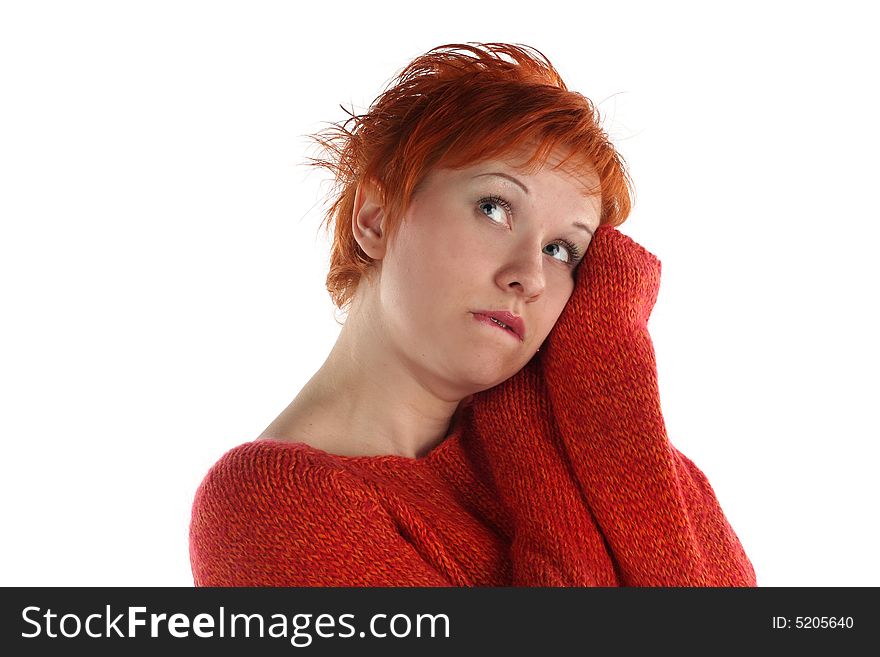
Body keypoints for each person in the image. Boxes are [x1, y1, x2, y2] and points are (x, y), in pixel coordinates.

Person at [188, 42, 757, 587]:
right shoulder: (272, 504)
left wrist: (601, 357)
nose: (530, 276)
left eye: (563, 250)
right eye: (495, 207)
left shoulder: (572, 440)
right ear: (376, 216)